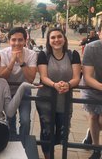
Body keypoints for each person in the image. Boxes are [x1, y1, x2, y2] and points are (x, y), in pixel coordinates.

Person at [36, 27, 81, 159]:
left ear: (64, 38)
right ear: (49, 41)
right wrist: (55, 85)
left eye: (59, 36)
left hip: (65, 99)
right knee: (47, 131)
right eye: (53, 37)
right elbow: (43, 77)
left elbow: (77, 77)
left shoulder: (73, 54)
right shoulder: (43, 55)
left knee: (63, 131)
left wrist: (68, 84)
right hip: (46, 100)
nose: (56, 40)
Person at [0, 27, 37, 146]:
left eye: (20, 40)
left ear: (26, 40)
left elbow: (31, 79)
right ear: (9, 41)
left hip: (24, 90)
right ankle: (12, 142)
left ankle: (23, 142)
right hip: (7, 91)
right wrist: (12, 60)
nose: (17, 43)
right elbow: (2, 76)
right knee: (10, 119)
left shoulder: (31, 54)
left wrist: (21, 62)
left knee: (25, 120)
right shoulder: (2, 53)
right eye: (13, 40)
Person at [82, 25, 102, 159]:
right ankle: (96, 148)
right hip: (92, 87)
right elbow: (88, 77)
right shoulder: (91, 48)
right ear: (99, 34)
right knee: (94, 116)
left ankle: (91, 131)